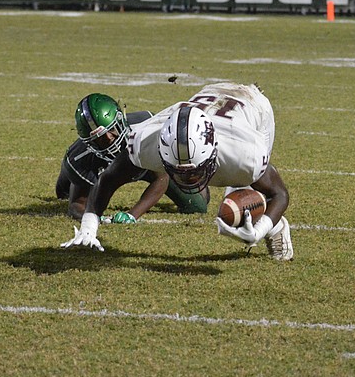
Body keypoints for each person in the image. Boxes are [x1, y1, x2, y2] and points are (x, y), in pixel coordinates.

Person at [61, 82, 293, 261]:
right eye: (177, 171)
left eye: (193, 171)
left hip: (253, 106)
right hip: (207, 96)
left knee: (241, 207)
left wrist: (259, 230)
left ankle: (277, 228)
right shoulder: (145, 142)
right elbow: (108, 179)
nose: (186, 179)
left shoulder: (246, 154)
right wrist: (89, 227)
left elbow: (279, 194)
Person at [56, 93, 209, 223]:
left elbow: (161, 178)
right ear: (88, 141)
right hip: (99, 166)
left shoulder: (145, 129)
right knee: (63, 191)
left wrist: (132, 214)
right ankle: (66, 178)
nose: (109, 138)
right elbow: (77, 205)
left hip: (144, 166)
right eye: (99, 138)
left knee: (197, 205)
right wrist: (94, 218)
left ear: (120, 120)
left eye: (111, 130)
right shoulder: (80, 157)